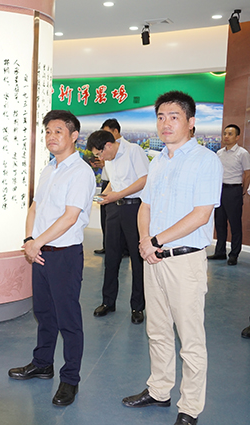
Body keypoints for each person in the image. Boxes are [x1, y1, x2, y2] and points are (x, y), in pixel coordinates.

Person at [122, 91, 222, 425]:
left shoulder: (205, 161)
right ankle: (159, 390)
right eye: (161, 117)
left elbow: (201, 214)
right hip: (155, 258)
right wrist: (145, 242)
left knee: (190, 339)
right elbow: (145, 206)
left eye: (174, 117)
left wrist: (155, 241)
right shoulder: (159, 161)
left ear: (191, 122)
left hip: (184, 261)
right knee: (158, 330)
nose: (166, 123)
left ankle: (190, 408)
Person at [8, 110, 95, 407]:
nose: (51, 136)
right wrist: (29, 240)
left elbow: (70, 217)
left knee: (68, 319)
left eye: (58, 131)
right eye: (47, 131)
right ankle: (42, 363)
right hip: (40, 252)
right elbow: (35, 207)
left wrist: (37, 243)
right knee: (44, 314)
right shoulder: (49, 169)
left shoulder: (80, 172)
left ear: (74, 136)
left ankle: (70, 379)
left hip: (64, 255)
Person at [87, 126, 149, 324]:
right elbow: (114, 182)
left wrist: (118, 195)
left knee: (137, 259)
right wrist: (105, 195)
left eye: (100, 153)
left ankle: (137, 306)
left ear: (108, 145)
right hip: (114, 210)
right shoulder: (109, 159)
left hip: (134, 209)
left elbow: (144, 180)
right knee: (111, 257)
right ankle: (108, 301)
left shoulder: (133, 151)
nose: (100, 158)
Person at [207, 124, 250, 266]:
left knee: (235, 224)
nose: (226, 136)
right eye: (225, 133)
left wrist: (242, 190)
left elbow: (247, 173)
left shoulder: (242, 153)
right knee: (220, 223)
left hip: (234, 190)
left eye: (230, 134)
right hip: (220, 190)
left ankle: (234, 254)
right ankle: (220, 252)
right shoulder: (219, 153)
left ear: (237, 137)